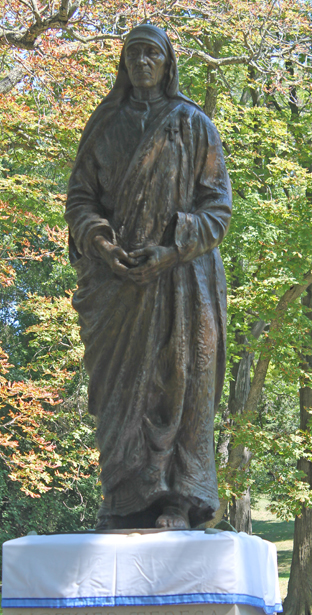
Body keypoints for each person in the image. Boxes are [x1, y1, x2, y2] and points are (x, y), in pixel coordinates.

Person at [65, 24, 232, 531]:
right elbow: (80, 198)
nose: (142, 62)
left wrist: (171, 248)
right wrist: (98, 240)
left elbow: (218, 209)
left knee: (179, 382)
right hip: (117, 285)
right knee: (120, 394)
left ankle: (178, 500)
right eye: (133, 53)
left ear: (166, 64)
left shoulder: (192, 124)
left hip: (181, 282)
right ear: (123, 63)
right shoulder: (105, 125)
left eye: (151, 54)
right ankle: (125, 499)